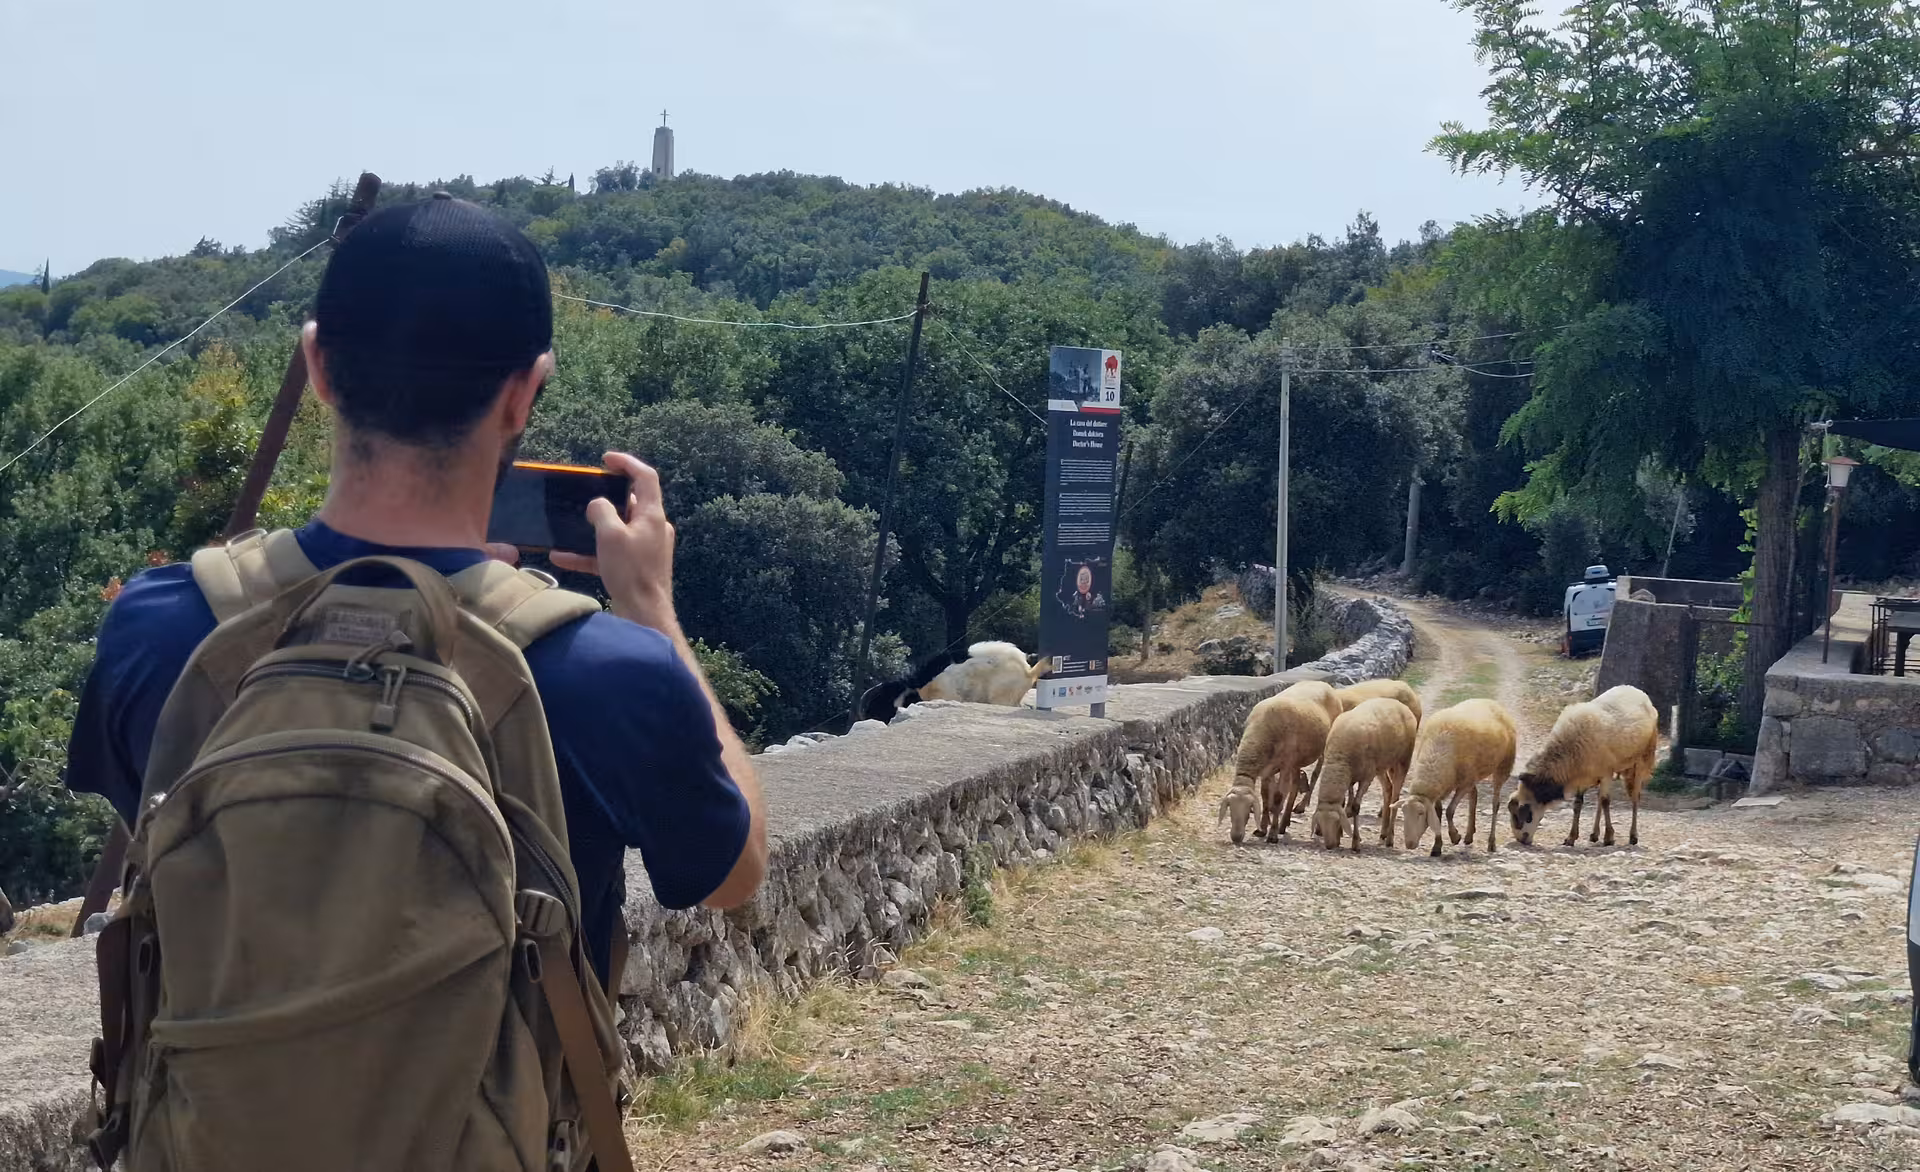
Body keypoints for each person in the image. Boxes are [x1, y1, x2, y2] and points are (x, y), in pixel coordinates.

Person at [63, 194, 767, 988]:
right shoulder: (611, 674)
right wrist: (652, 608)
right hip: (496, 1117)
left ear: (319, 365)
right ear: (524, 394)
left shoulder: (158, 627)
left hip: (200, 1112)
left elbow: (157, 839)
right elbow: (732, 877)